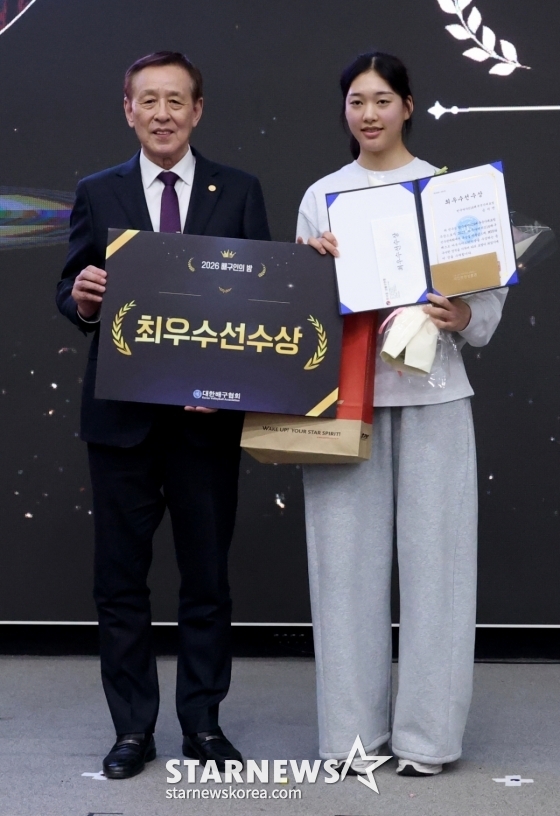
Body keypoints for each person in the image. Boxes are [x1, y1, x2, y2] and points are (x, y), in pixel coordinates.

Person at [56, 51, 270, 779]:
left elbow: (262, 301)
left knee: (207, 580)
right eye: (148, 100)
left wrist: (233, 377)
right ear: (128, 110)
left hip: (206, 421)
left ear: (197, 110)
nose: (162, 113)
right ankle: (132, 731)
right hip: (120, 422)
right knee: (120, 583)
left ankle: (203, 725)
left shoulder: (239, 191)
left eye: (176, 100)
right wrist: (82, 300)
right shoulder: (98, 191)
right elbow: (71, 289)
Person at [296, 52, 506, 777]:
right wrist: (311, 267)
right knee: (342, 571)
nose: (369, 114)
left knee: (439, 570)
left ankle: (427, 739)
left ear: (408, 106)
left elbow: (484, 308)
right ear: (345, 109)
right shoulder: (322, 196)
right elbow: (299, 315)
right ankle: (350, 740)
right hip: (343, 404)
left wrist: (461, 313)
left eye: (382, 100)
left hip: (435, 398)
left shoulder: (450, 192)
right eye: (356, 100)